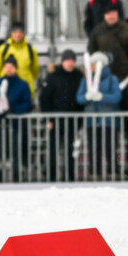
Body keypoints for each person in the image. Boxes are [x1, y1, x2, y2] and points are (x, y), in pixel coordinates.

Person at [39, 50, 85, 182]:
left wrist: (80, 119)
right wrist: (48, 119)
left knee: (70, 150)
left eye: (72, 60)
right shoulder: (53, 76)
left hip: (73, 120)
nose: (70, 63)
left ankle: (70, 176)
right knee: (53, 150)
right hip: (56, 120)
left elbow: (80, 100)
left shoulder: (78, 76)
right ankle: (52, 176)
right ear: (63, 61)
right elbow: (45, 99)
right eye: (68, 60)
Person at [78, 51, 124, 179]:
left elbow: (117, 97)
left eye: (93, 64)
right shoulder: (86, 80)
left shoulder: (112, 79)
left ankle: (113, 171)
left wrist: (102, 97)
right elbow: (79, 98)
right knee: (94, 148)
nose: (91, 67)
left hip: (109, 121)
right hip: (92, 121)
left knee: (111, 147)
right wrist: (87, 97)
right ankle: (94, 172)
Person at [0, 54, 33, 182]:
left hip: (16, 125)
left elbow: (27, 103)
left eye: (11, 66)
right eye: (6, 66)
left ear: (16, 68)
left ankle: (17, 176)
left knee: (16, 150)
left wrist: (13, 110)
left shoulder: (23, 84)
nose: (9, 69)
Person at [88, 6, 128, 83]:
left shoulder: (127, 28)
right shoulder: (97, 31)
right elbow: (92, 50)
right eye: (109, 14)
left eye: (114, 13)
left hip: (124, 73)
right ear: (104, 15)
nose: (111, 16)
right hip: (104, 73)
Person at [0, 22, 41, 95]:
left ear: (24, 34)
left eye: (20, 32)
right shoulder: (3, 49)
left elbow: (35, 70)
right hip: (7, 87)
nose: (18, 35)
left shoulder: (30, 49)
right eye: (15, 32)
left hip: (26, 88)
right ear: (11, 33)